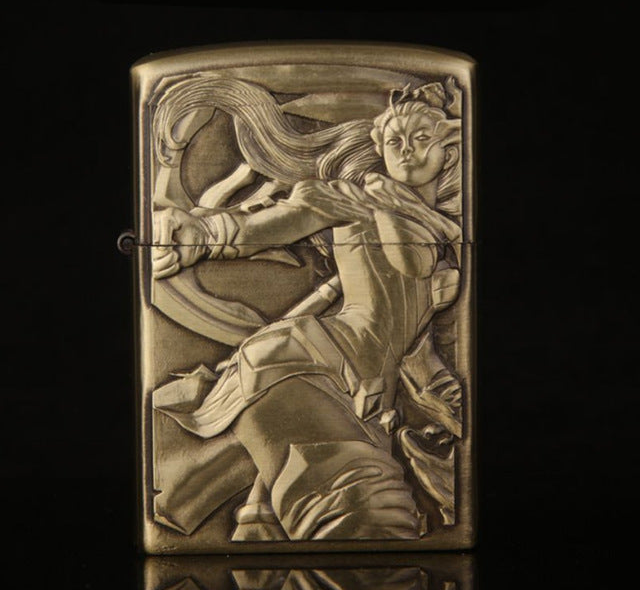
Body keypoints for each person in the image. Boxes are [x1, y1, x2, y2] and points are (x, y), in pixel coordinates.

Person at [152, 81, 463, 541]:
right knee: (368, 513)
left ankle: (225, 494)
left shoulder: (443, 242)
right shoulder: (354, 197)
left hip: (358, 394)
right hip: (302, 365)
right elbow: (267, 226)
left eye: (421, 139)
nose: (406, 152)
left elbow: (413, 350)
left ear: (449, 149)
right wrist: (202, 234)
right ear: (379, 145)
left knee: (336, 528)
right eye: (395, 140)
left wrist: (453, 406)